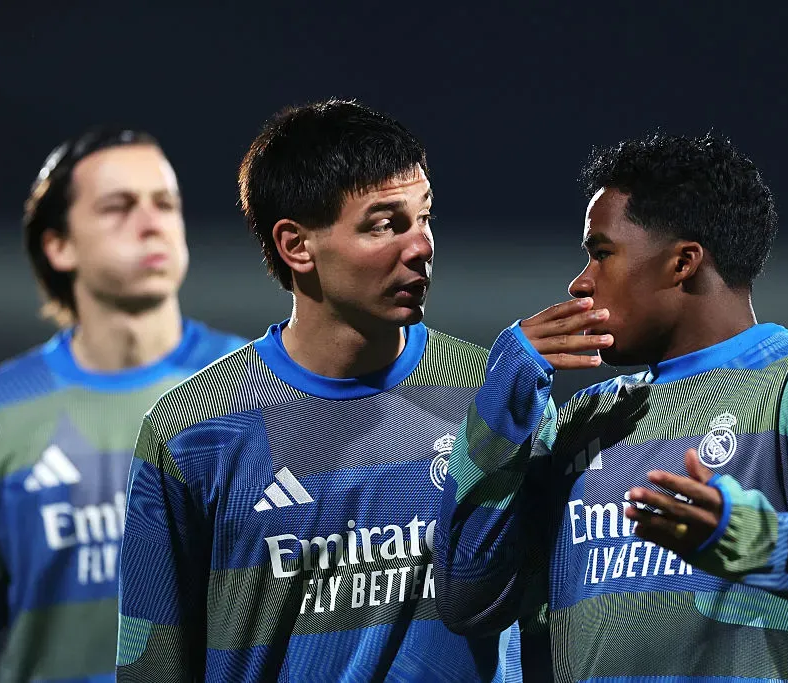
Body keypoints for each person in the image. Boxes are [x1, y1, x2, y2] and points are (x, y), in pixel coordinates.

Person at [435, 133, 788, 682]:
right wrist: (503, 399)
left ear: (682, 262)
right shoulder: (582, 422)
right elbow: (468, 599)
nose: (580, 282)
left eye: (601, 253)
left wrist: (740, 534)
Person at [115, 99, 522, 682]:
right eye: (385, 225)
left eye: (424, 217)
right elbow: (151, 665)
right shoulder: (193, 429)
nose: (421, 245)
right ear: (296, 246)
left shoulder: (491, 395)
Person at [0, 127, 246, 683]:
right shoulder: (3, 412)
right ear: (58, 245)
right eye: (118, 207)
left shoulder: (255, 388)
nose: (152, 223)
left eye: (166, 203)